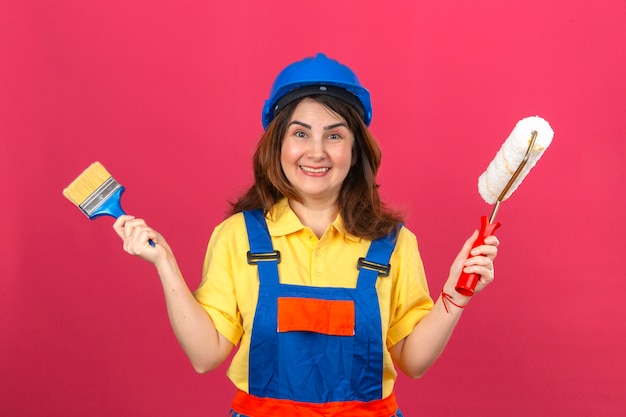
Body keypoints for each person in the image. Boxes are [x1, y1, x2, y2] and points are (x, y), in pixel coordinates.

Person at [113, 53, 499, 417]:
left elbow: (413, 362)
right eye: (300, 134)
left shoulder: (393, 243)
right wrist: (164, 263)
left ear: (355, 149)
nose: (316, 152)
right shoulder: (238, 237)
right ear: (278, 144)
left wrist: (455, 293)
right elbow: (204, 355)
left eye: (334, 136)